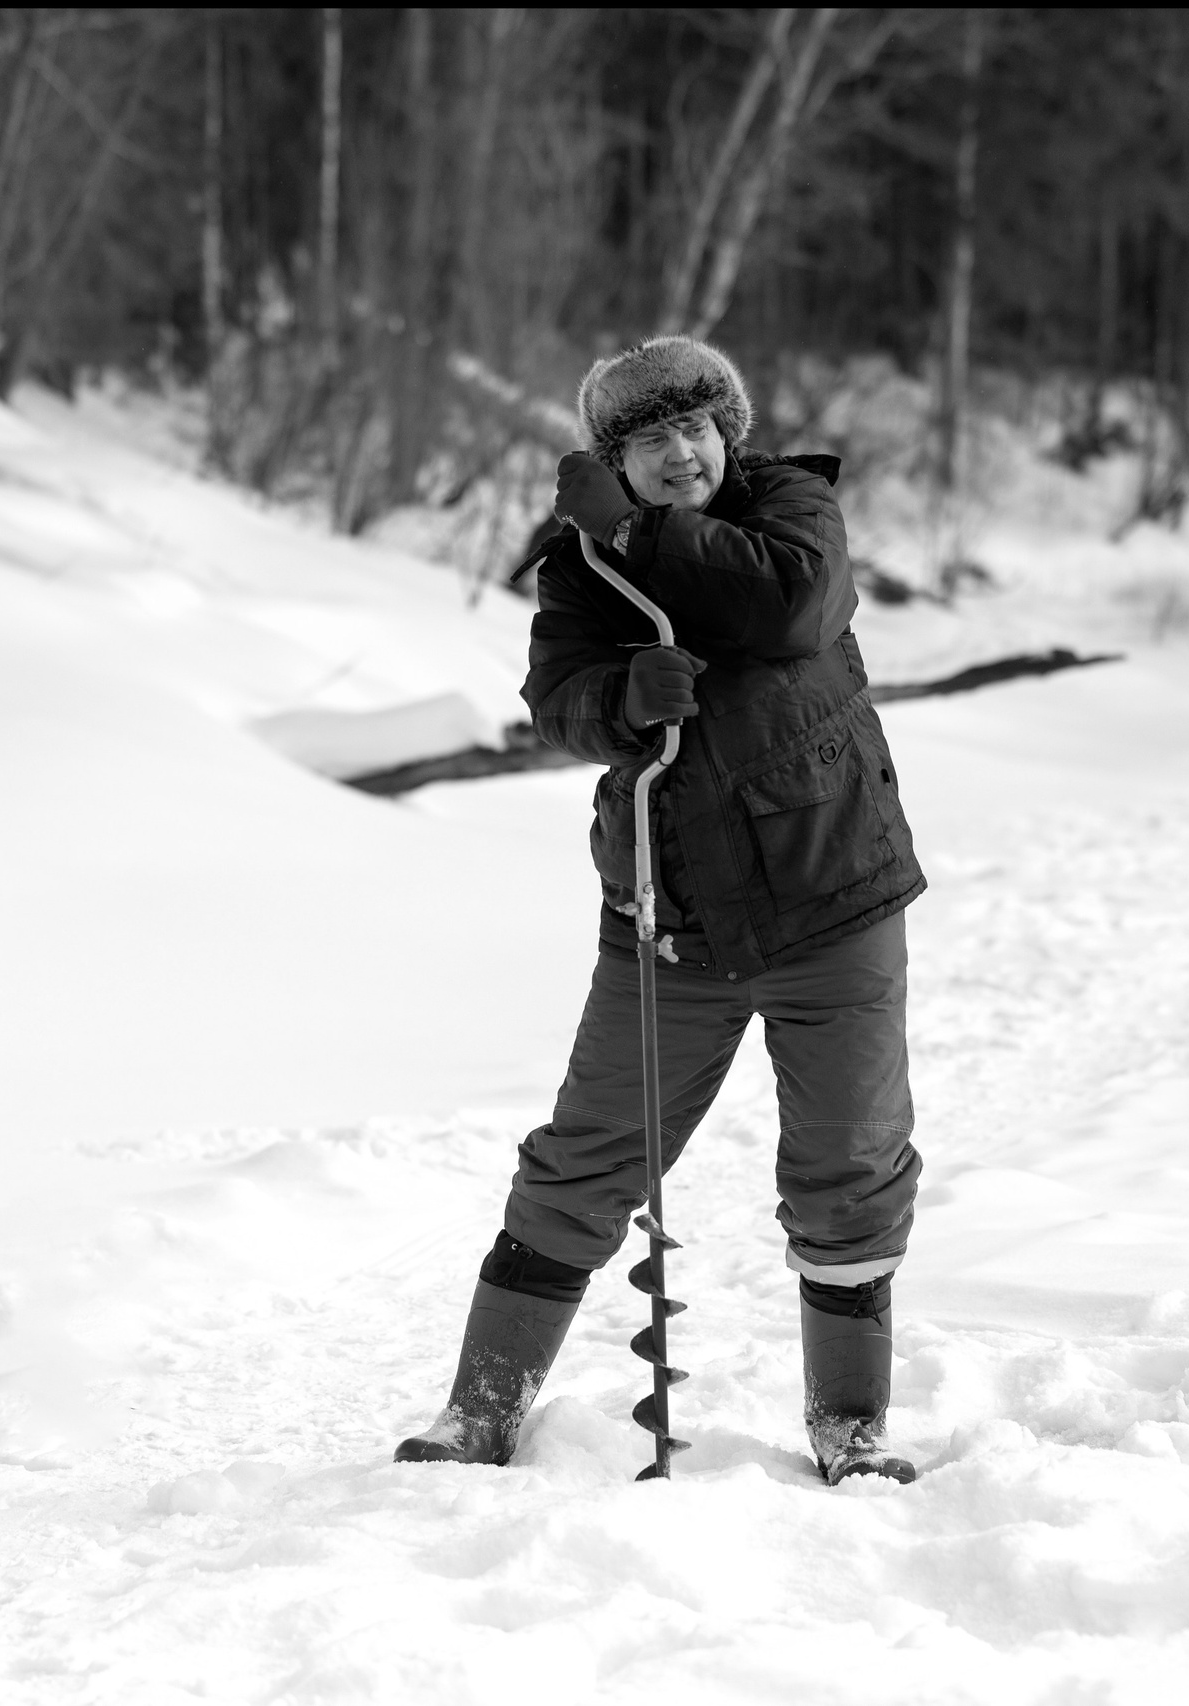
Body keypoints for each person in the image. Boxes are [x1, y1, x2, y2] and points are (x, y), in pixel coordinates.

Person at [393, 336, 927, 1486]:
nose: (679, 452)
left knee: (849, 1163)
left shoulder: (791, 506)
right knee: (582, 1160)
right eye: (647, 440)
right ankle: (480, 1406)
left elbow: (791, 609)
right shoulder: (579, 569)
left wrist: (640, 535)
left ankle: (850, 1420)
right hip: (666, 907)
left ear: (725, 433)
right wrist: (621, 699)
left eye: (694, 428)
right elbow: (558, 702)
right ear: (613, 458)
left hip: (832, 895)